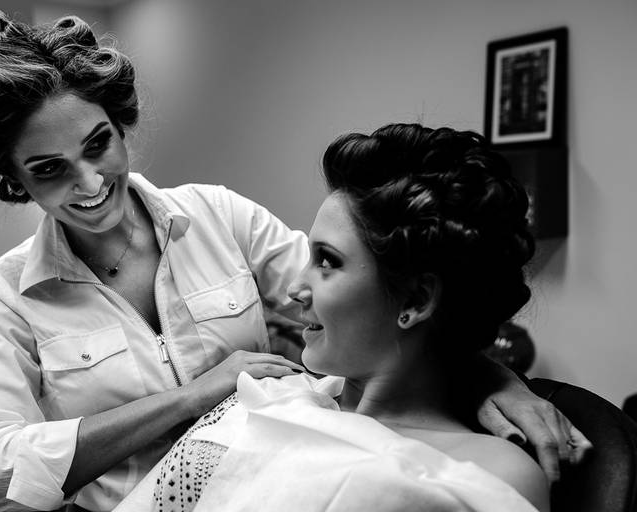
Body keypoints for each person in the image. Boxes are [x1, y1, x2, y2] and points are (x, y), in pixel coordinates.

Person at [0, 11, 588, 512]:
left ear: (118, 122)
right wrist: (192, 398)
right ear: (15, 181)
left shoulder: (220, 219)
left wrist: (495, 376)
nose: (89, 183)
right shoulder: (8, 298)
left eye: (98, 144)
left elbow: (392, 297)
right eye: (51, 170)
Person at [119, 124, 553, 512]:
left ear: (415, 301)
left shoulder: (490, 474)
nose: (294, 289)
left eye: (326, 261)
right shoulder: (261, 400)